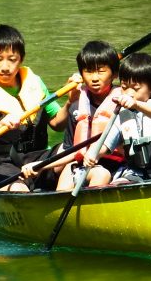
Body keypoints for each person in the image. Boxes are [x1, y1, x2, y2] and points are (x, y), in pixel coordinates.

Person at [0, 24, 68, 191]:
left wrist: (71, 102)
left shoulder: (34, 83)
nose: (5, 67)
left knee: (70, 150)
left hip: (39, 158)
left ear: (21, 59)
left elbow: (58, 124)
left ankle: (63, 196)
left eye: (12, 60)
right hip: (1, 163)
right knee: (18, 189)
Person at [23, 40, 124, 191]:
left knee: (100, 174)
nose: (94, 78)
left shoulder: (124, 103)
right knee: (66, 176)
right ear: (82, 75)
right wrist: (40, 166)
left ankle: (95, 207)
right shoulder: (77, 107)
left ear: (115, 74)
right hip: (80, 166)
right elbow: (70, 150)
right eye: (89, 71)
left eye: (101, 71)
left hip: (115, 168)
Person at [84, 52, 151, 184]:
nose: (129, 93)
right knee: (116, 185)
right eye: (124, 87)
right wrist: (94, 153)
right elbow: (106, 144)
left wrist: (137, 104)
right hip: (136, 173)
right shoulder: (121, 114)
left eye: (136, 88)